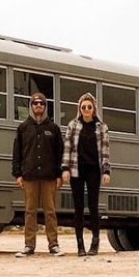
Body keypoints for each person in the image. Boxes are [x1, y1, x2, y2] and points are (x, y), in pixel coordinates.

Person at [12, 92, 64, 257]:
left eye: (41, 103)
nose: (38, 106)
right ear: (31, 106)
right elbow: (17, 154)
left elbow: (60, 154)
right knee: (29, 211)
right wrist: (17, 174)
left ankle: (53, 245)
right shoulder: (23, 128)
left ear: (45, 106)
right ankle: (29, 246)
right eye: (35, 103)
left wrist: (59, 175)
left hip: (49, 177)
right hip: (29, 176)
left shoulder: (53, 129)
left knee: (50, 211)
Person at [62, 93, 111, 256]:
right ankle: (80, 245)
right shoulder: (73, 125)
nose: (86, 110)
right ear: (80, 109)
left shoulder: (101, 127)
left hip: (93, 170)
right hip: (76, 170)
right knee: (78, 208)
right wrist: (65, 169)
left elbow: (105, 151)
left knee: (93, 206)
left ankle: (95, 242)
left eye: (89, 107)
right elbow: (67, 148)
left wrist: (106, 171)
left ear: (94, 108)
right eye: (83, 107)